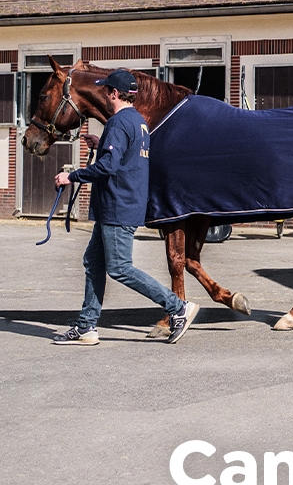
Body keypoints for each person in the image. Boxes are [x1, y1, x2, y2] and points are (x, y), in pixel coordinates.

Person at [51, 68, 198, 345]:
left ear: (115, 94)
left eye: (106, 90)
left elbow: (108, 166)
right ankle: (86, 326)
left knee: (120, 267)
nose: (104, 93)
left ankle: (177, 307)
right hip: (121, 205)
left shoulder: (117, 123)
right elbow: (125, 155)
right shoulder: (138, 121)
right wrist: (102, 143)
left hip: (117, 206)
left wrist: (72, 176)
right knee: (93, 261)